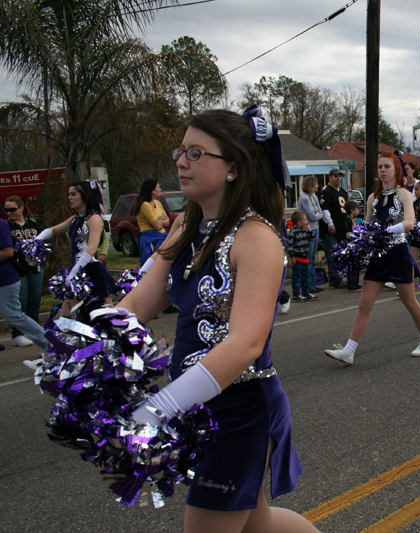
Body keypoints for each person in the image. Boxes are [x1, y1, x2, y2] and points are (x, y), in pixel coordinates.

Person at [122, 107, 319, 532]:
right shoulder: (182, 228)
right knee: (257, 526)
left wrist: (163, 405)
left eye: (196, 153)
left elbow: (246, 343)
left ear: (233, 167)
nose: (180, 161)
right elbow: (141, 302)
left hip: (239, 410)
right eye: (181, 150)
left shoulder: (257, 238)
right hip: (196, 407)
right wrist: (90, 340)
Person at [324, 151, 420, 365]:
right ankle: (349, 350)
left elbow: (410, 223)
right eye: (380, 167)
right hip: (378, 256)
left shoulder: (404, 194)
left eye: (387, 166)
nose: (383, 170)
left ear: (396, 169)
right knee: (364, 304)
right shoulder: (372, 198)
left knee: (410, 301)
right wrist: (355, 247)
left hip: (398, 254)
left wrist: (386, 231)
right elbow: (366, 227)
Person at [36, 181, 119, 313]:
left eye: (73, 194)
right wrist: (35, 241)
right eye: (69, 194)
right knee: (67, 315)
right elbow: (53, 230)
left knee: (107, 316)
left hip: (92, 272)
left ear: (85, 196)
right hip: (78, 273)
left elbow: (92, 249)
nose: (69, 198)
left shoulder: (94, 218)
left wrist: (73, 273)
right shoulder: (75, 219)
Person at [0, 218, 49, 352]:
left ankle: (49, 343)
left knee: (13, 315)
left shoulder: (1, 224)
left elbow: (8, 251)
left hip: (4, 279)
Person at [4, 196, 44, 347]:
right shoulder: (7, 226)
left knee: (35, 300)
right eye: (6, 210)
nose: (9, 213)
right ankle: (18, 334)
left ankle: (35, 332)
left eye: (12, 209)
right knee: (21, 301)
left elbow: (44, 242)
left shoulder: (34, 224)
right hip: (17, 268)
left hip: (35, 266)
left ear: (21, 208)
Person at [320, 168, 358, 290]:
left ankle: (338, 277)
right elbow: (324, 209)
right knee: (332, 254)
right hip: (331, 228)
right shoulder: (326, 191)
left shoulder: (342, 191)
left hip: (342, 228)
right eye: (335, 176)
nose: (338, 178)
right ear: (330, 177)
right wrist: (330, 223)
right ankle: (335, 279)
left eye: (340, 176)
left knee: (341, 254)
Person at [296, 176, 324, 293]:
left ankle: (313, 283)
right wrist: (317, 215)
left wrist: (317, 215)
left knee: (313, 258)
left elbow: (320, 212)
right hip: (308, 229)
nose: (317, 186)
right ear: (311, 185)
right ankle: (307, 285)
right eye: (316, 184)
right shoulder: (304, 198)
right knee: (307, 258)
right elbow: (313, 216)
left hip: (315, 228)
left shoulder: (315, 197)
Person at [134, 179, 170, 266]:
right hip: (151, 240)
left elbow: (168, 221)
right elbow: (157, 226)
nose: (160, 189)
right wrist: (161, 222)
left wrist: (159, 221)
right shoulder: (145, 205)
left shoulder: (157, 203)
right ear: (152, 190)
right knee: (153, 265)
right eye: (158, 187)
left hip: (162, 237)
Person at [287, 211, 317, 303]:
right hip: (297, 258)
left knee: (306, 277)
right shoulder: (292, 232)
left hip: (305, 257)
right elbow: (290, 246)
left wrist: (309, 230)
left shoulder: (305, 230)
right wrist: (292, 257)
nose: (306, 221)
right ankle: (296, 295)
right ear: (299, 222)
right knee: (297, 277)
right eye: (305, 219)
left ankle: (306, 292)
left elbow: (312, 239)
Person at [342, 200, 363, 291]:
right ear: (352, 210)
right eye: (357, 209)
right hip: (351, 244)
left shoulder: (353, 220)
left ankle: (355, 283)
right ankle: (351, 284)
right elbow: (347, 234)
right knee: (352, 265)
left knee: (356, 264)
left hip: (355, 244)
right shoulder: (349, 221)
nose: (358, 211)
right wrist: (356, 236)